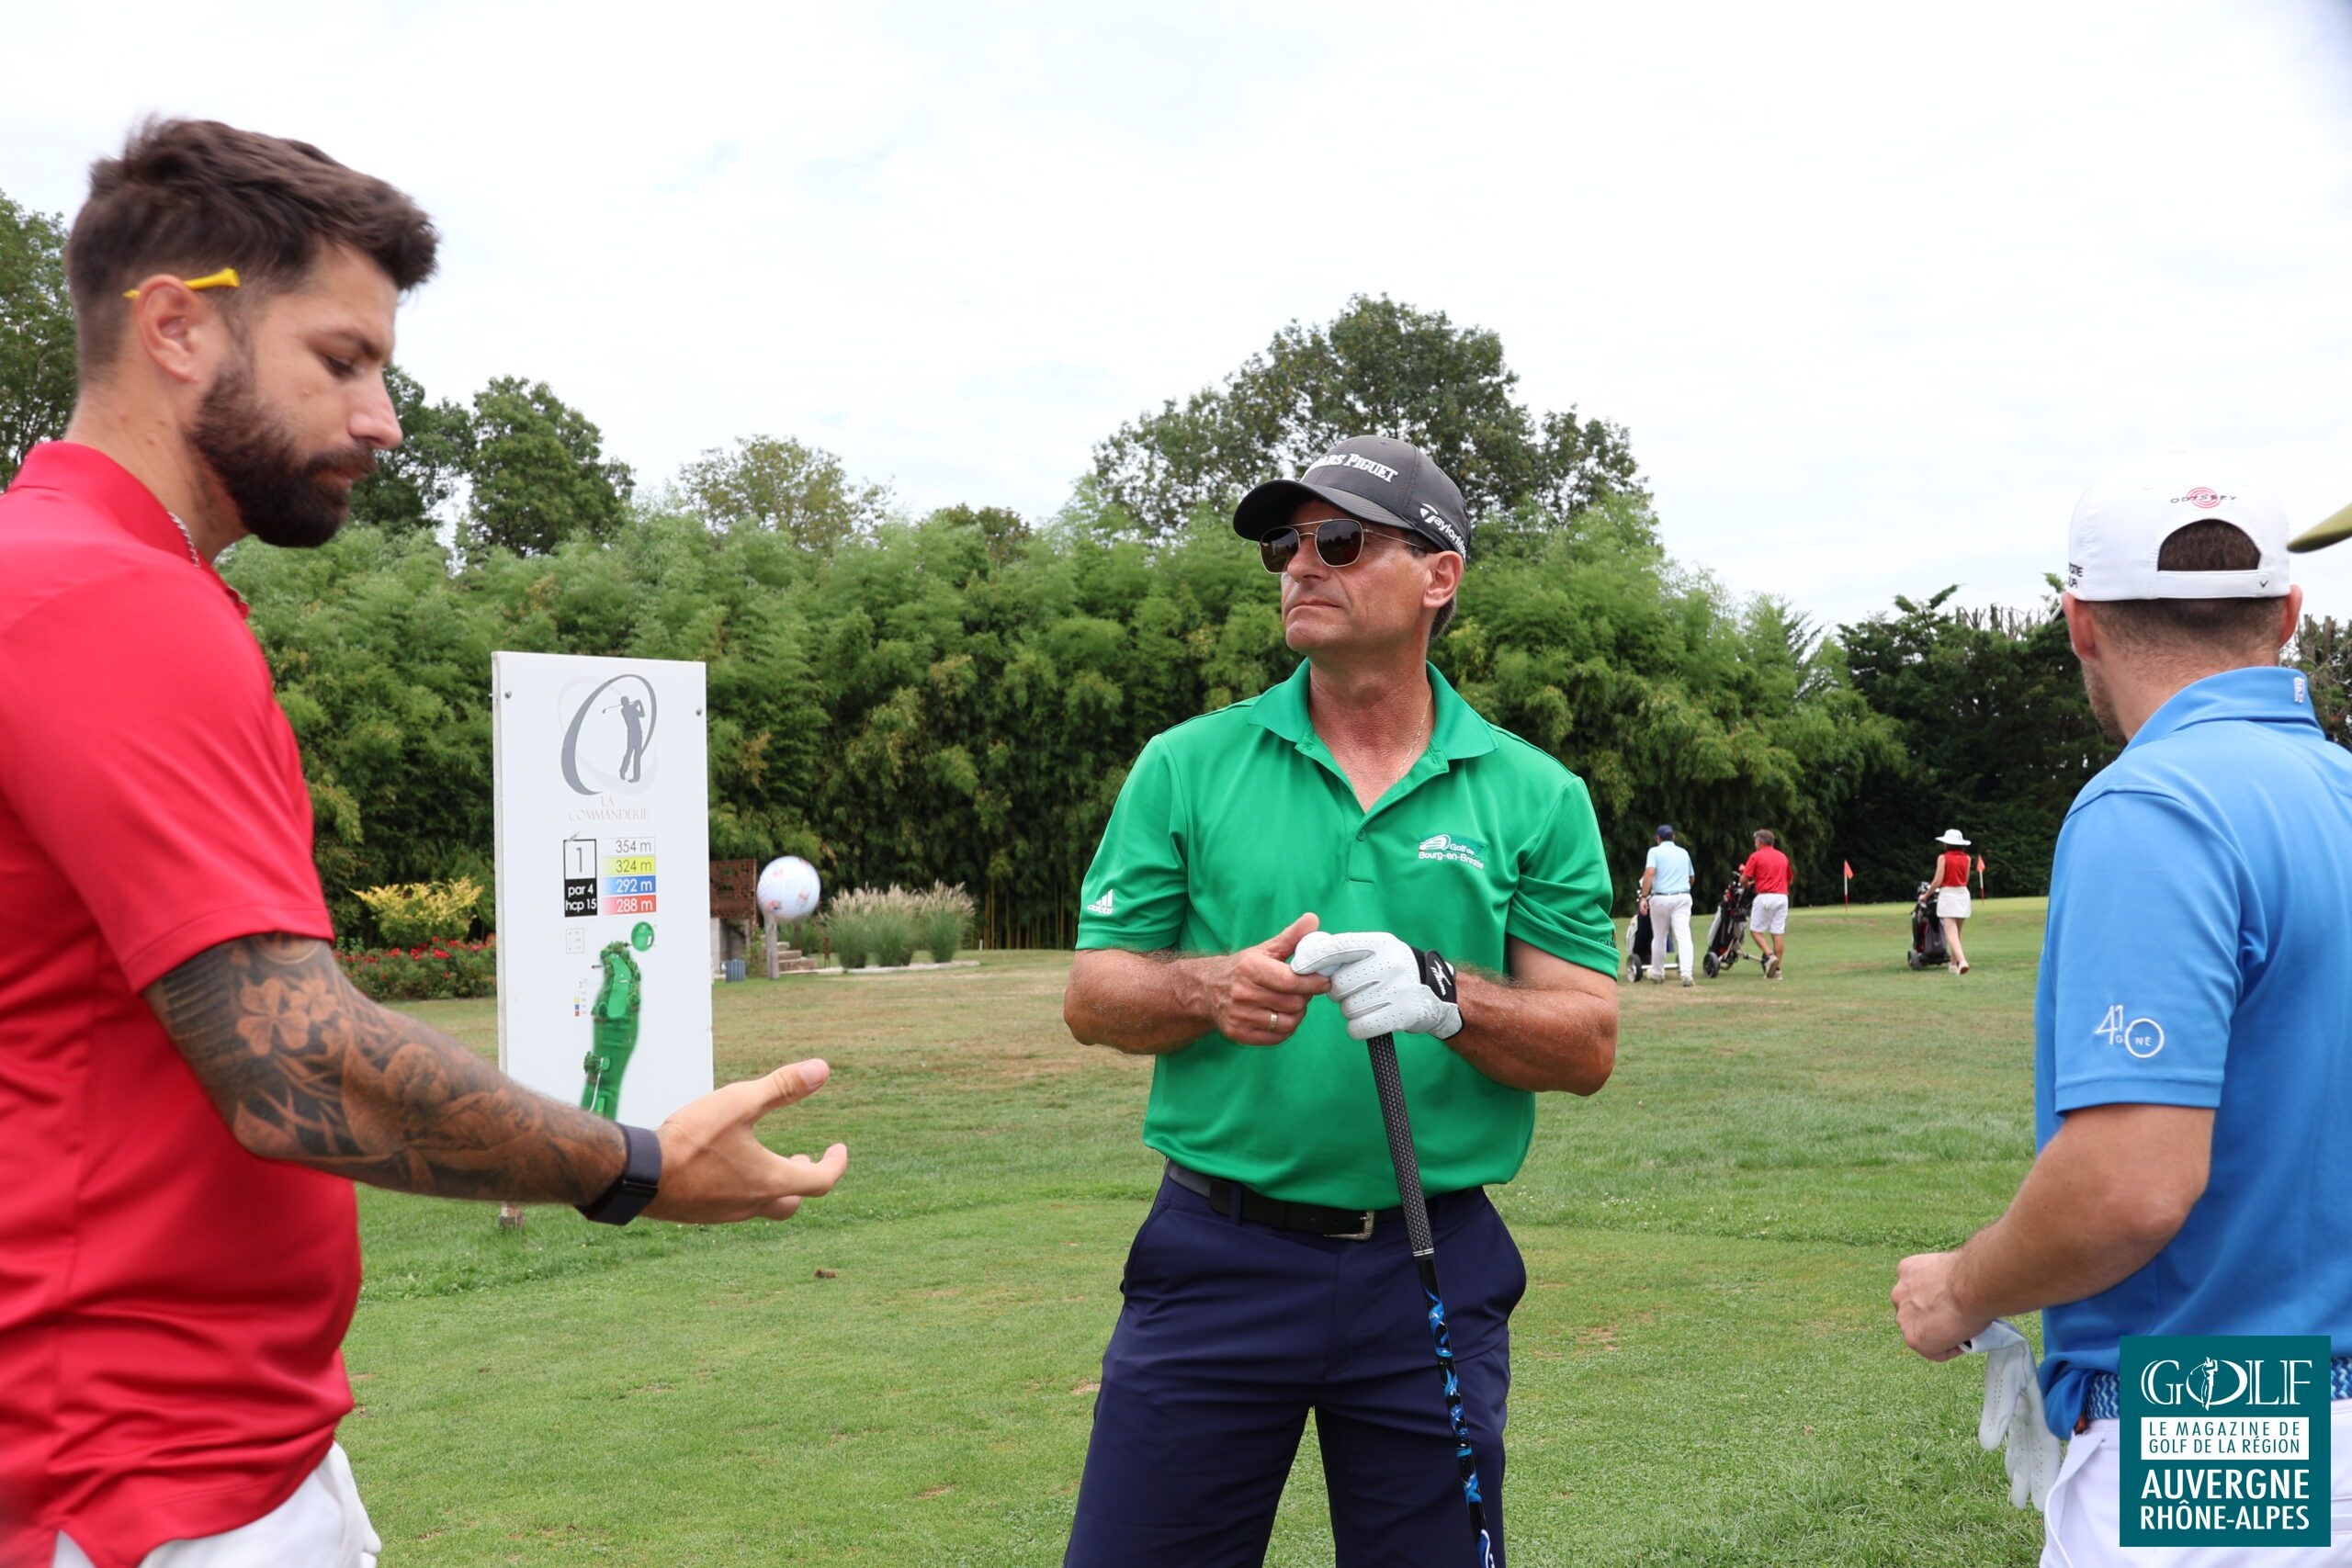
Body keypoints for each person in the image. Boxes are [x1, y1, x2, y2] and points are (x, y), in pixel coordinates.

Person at [0, 120, 850, 1568]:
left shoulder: (57, 574)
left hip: (174, 1442)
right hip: (145, 1473)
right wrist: (635, 1162)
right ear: (177, 327)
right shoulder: (106, 602)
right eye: (342, 359)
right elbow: (294, 1060)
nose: (384, 418)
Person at [1060, 434, 1620, 1566]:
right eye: (1285, 544)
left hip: (1430, 1260)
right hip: (1214, 1258)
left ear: (1439, 576)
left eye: (1342, 541)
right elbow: (1094, 994)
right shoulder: (1187, 762)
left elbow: (1585, 1044)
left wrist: (1446, 994)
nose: (1300, 565)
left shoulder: (1534, 792)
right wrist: (1207, 985)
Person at [1893, 455, 2352, 1566]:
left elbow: (2128, 1188)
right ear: (2289, 613)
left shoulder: (2154, 802)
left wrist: (1959, 1288)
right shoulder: (2337, 790)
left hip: (2223, 1411)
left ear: (2079, 622)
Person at [1638, 824, 1696, 987]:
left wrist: (1644, 897)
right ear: (1674, 837)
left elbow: (1650, 873)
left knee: (1659, 937)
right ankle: (1686, 973)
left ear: (1658, 839)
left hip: (1661, 898)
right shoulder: (1683, 853)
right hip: (1682, 897)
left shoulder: (1654, 852)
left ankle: (1658, 973)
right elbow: (1692, 878)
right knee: (1684, 936)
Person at [1737, 829, 1792, 978]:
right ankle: (1777, 971)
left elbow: (1744, 879)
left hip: (1765, 897)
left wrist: (1748, 886)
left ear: (1760, 842)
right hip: (1782, 897)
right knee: (1777, 933)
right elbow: (1789, 879)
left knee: (1755, 930)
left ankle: (1770, 956)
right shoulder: (1782, 857)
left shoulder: (1756, 856)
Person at [1928, 829, 1973, 975]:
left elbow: (1937, 881)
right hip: (1963, 894)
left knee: (1950, 932)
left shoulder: (1943, 858)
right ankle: (1953, 965)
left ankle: (1962, 961)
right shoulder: (1967, 858)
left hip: (1949, 894)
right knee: (1957, 932)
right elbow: (1966, 879)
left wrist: (1926, 895)